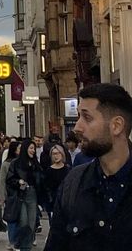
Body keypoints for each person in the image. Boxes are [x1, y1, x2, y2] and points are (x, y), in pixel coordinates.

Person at [45, 83, 132, 250]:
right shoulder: (73, 183)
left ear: (116, 125)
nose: (77, 127)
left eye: (87, 117)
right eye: (79, 116)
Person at [6, 138, 43, 251]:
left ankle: (26, 246)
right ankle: (19, 243)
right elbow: (9, 180)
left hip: (33, 195)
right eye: (31, 148)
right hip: (21, 195)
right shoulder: (15, 163)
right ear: (25, 148)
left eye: (34, 149)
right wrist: (18, 182)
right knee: (23, 221)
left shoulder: (36, 164)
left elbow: (41, 180)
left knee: (31, 223)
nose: (33, 151)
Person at [43, 144, 69, 218]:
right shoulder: (48, 171)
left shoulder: (67, 169)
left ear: (62, 154)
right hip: (53, 203)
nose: (56, 156)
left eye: (58, 153)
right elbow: (46, 188)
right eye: (53, 154)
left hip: (65, 202)